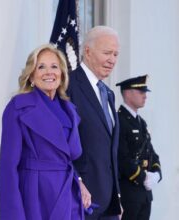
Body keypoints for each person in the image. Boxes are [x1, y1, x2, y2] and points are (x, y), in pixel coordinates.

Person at [0, 44, 89, 220]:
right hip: (36, 198)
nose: (49, 72)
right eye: (41, 67)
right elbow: (8, 168)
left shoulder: (70, 110)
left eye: (54, 66)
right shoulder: (18, 107)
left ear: (62, 74)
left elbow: (65, 157)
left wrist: (78, 182)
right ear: (31, 75)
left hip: (68, 196)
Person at [67, 26, 122, 220]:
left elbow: (109, 150)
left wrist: (117, 198)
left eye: (116, 54)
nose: (112, 60)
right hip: (81, 200)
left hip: (109, 205)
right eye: (107, 53)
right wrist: (77, 181)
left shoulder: (109, 94)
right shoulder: (68, 86)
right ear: (87, 51)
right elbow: (61, 144)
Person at [116, 75, 162, 220]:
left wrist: (156, 174)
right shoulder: (119, 120)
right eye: (141, 92)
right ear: (128, 93)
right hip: (129, 192)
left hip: (144, 195)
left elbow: (151, 153)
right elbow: (121, 157)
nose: (145, 96)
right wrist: (142, 177)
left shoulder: (141, 122)